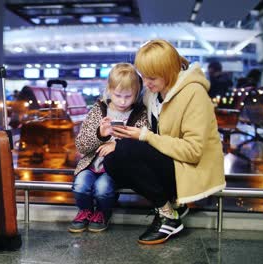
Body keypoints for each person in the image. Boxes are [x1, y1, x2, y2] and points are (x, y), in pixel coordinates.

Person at [103, 40, 226, 244]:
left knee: (124, 151)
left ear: (169, 71)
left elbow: (193, 152)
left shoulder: (194, 94)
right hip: (172, 163)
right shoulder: (155, 92)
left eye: (151, 77)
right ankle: (173, 207)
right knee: (113, 158)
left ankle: (168, 215)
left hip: (190, 169)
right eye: (144, 76)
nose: (146, 83)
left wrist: (145, 136)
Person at [69, 63, 149, 233]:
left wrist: (117, 145)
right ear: (109, 90)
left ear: (136, 94)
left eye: (128, 96)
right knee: (80, 185)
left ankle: (103, 213)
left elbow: (143, 146)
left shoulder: (139, 114)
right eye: (118, 95)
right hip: (91, 164)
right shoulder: (98, 110)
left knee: (103, 189)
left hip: (115, 168)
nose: (122, 101)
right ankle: (85, 211)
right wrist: (101, 135)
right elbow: (81, 146)